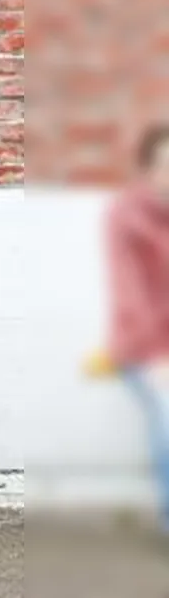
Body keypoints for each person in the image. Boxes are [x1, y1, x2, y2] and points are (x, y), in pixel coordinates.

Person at [110, 125, 169, 535]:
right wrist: (157, 355)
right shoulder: (127, 217)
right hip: (145, 347)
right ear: (148, 169)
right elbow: (130, 298)